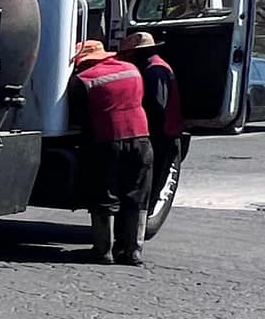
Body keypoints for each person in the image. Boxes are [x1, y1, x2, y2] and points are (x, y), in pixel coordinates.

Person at [66, 39, 153, 265]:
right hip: (141, 137)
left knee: (105, 194)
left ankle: (103, 250)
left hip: (106, 140)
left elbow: (78, 116)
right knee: (137, 194)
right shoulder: (132, 70)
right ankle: (133, 251)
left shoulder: (82, 80)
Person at [120, 30, 184, 209]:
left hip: (162, 134)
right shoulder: (154, 66)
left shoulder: (154, 70)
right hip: (164, 132)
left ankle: (140, 222)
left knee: (151, 182)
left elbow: (157, 105)